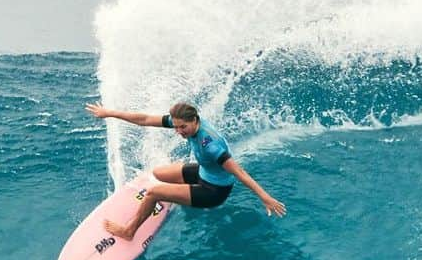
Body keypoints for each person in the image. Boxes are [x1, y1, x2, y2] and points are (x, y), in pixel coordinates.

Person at [85, 101, 286, 240]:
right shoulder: (182, 121)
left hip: (213, 192)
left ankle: (129, 231)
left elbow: (239, 172)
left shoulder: (211, 145)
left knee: (153, 191)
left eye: (183, 128)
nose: (179, 132)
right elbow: (145, 119)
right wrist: (109, 113)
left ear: (196, 120)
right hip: (203, 172)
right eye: (176, 127)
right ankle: (172, 195)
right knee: (158, 174)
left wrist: (265, 197)